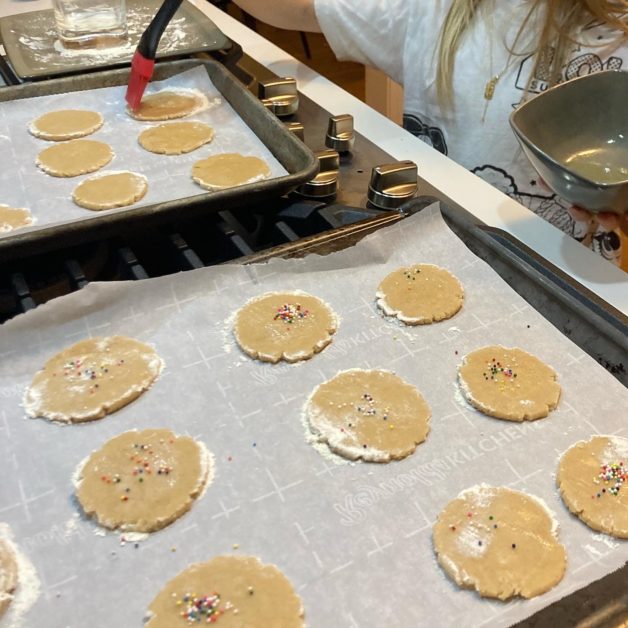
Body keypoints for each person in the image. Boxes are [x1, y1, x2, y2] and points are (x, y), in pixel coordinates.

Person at [231, 0, 628, 268]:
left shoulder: (615, 41)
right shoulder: (429, 10)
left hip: (560, 271)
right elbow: (294, 7)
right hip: (431, 248)